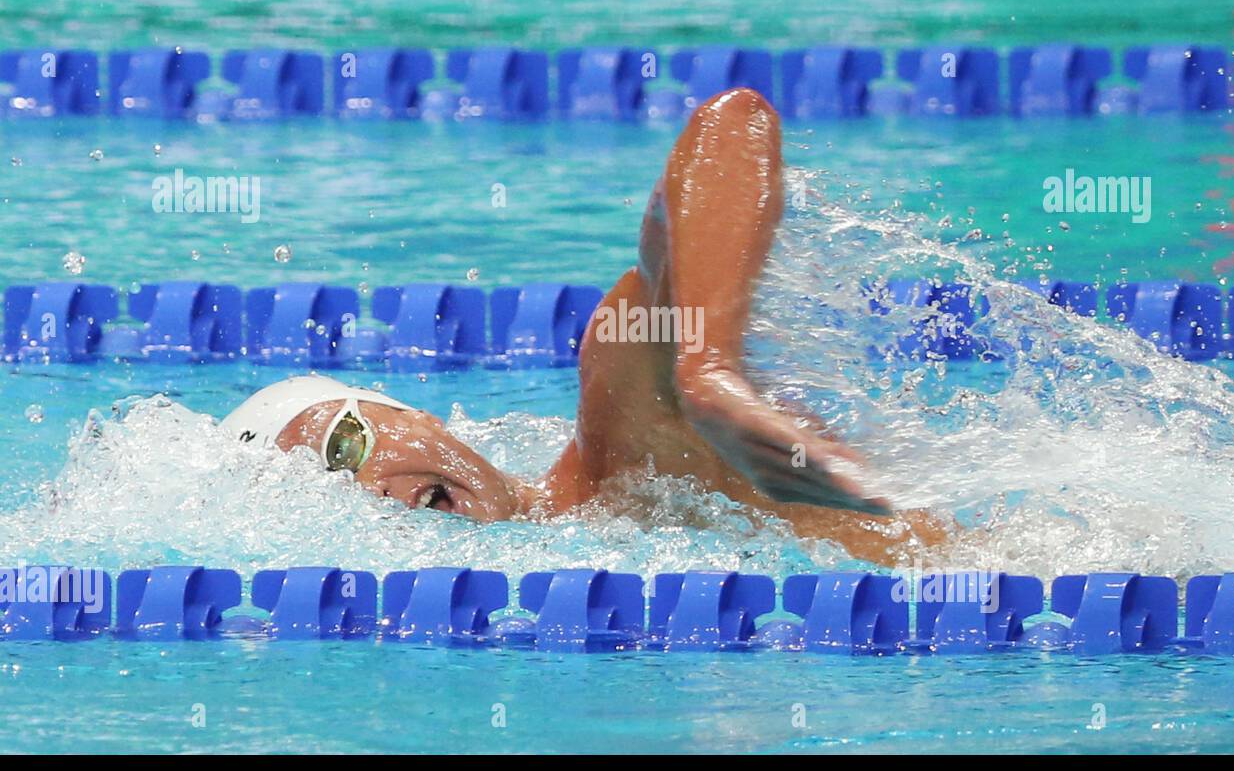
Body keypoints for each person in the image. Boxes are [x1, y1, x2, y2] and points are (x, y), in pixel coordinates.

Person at [223, 88, 946, 562]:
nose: (368, 492)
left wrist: (707, 366)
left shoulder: (619, 445)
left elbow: (732, 124)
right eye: (325, 494)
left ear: (421, 415)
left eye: (346, 445)